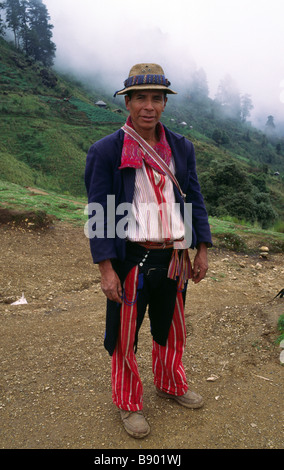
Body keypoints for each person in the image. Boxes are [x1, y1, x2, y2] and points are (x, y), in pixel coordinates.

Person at [85, 63, 212, 439]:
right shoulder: (107, 151)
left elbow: (193, 198)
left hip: (174, 258)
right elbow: (100, 213)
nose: (149, 106)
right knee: (125, 335)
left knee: (172, 329)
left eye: (157, 98)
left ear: (164, 104)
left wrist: (200, 247)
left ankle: (171, 383)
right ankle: (127, 401)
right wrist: (106, 269)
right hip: (132, 260)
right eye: (140, 97)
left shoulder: (180, 147)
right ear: (127, 101)